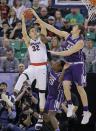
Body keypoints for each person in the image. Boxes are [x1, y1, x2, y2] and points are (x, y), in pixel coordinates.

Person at [31, 9, 91, 124]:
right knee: (65, 84)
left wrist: (55, 53)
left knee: (80, 88)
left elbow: (68, 53)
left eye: (74, 27)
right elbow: (53, 29)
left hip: (78, 65)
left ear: (78, 30)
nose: (72, 28)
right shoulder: (67, 35)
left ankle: (86, 111)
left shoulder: (80, 42)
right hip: (68, 64)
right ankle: (69, 105)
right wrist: (41, 22)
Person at [14, 10, 48, 130]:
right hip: (33, 66)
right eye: (31, 31)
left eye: (34, 30)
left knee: (42, 95)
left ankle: (41, 117)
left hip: (42, 67)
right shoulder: (29, 41)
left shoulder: (42, 39)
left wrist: (35, 13)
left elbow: (43, 26)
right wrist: (23, 18)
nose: (32, 32)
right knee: (23, 75)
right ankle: (14, 96)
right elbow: (23, 31)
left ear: (37, 32)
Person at [45, 60, 69, 131]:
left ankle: (57, 128)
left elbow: (60, 79)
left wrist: (64, 69)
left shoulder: (62, 75)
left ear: (60, 67)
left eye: (57, 63)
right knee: (45, 115)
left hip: (57, 97)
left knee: (51, 115)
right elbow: (50, 59)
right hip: (49, 96)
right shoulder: (53, 69)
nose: (54, 63)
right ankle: (57, 124)